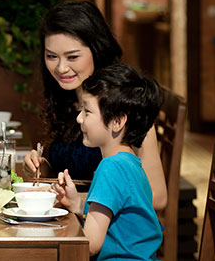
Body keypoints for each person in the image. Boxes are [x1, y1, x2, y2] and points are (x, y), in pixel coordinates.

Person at [23, 0, 167, 209]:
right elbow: (70, 170)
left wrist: (80, 202)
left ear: (97, 50)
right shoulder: (66, 98)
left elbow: (157, 197)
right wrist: (41, 168)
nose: (61, 68)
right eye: (51, 56)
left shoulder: (124, 105)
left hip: (107, 227)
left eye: (72, 57)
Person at [53, 63, 163, 259]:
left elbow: (91, 244)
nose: (79, 119)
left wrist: (52, 240)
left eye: (87, 111)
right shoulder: (130, 163)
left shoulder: (111, 167)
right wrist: (76, 204)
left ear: (118, 121)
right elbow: (113, 221)